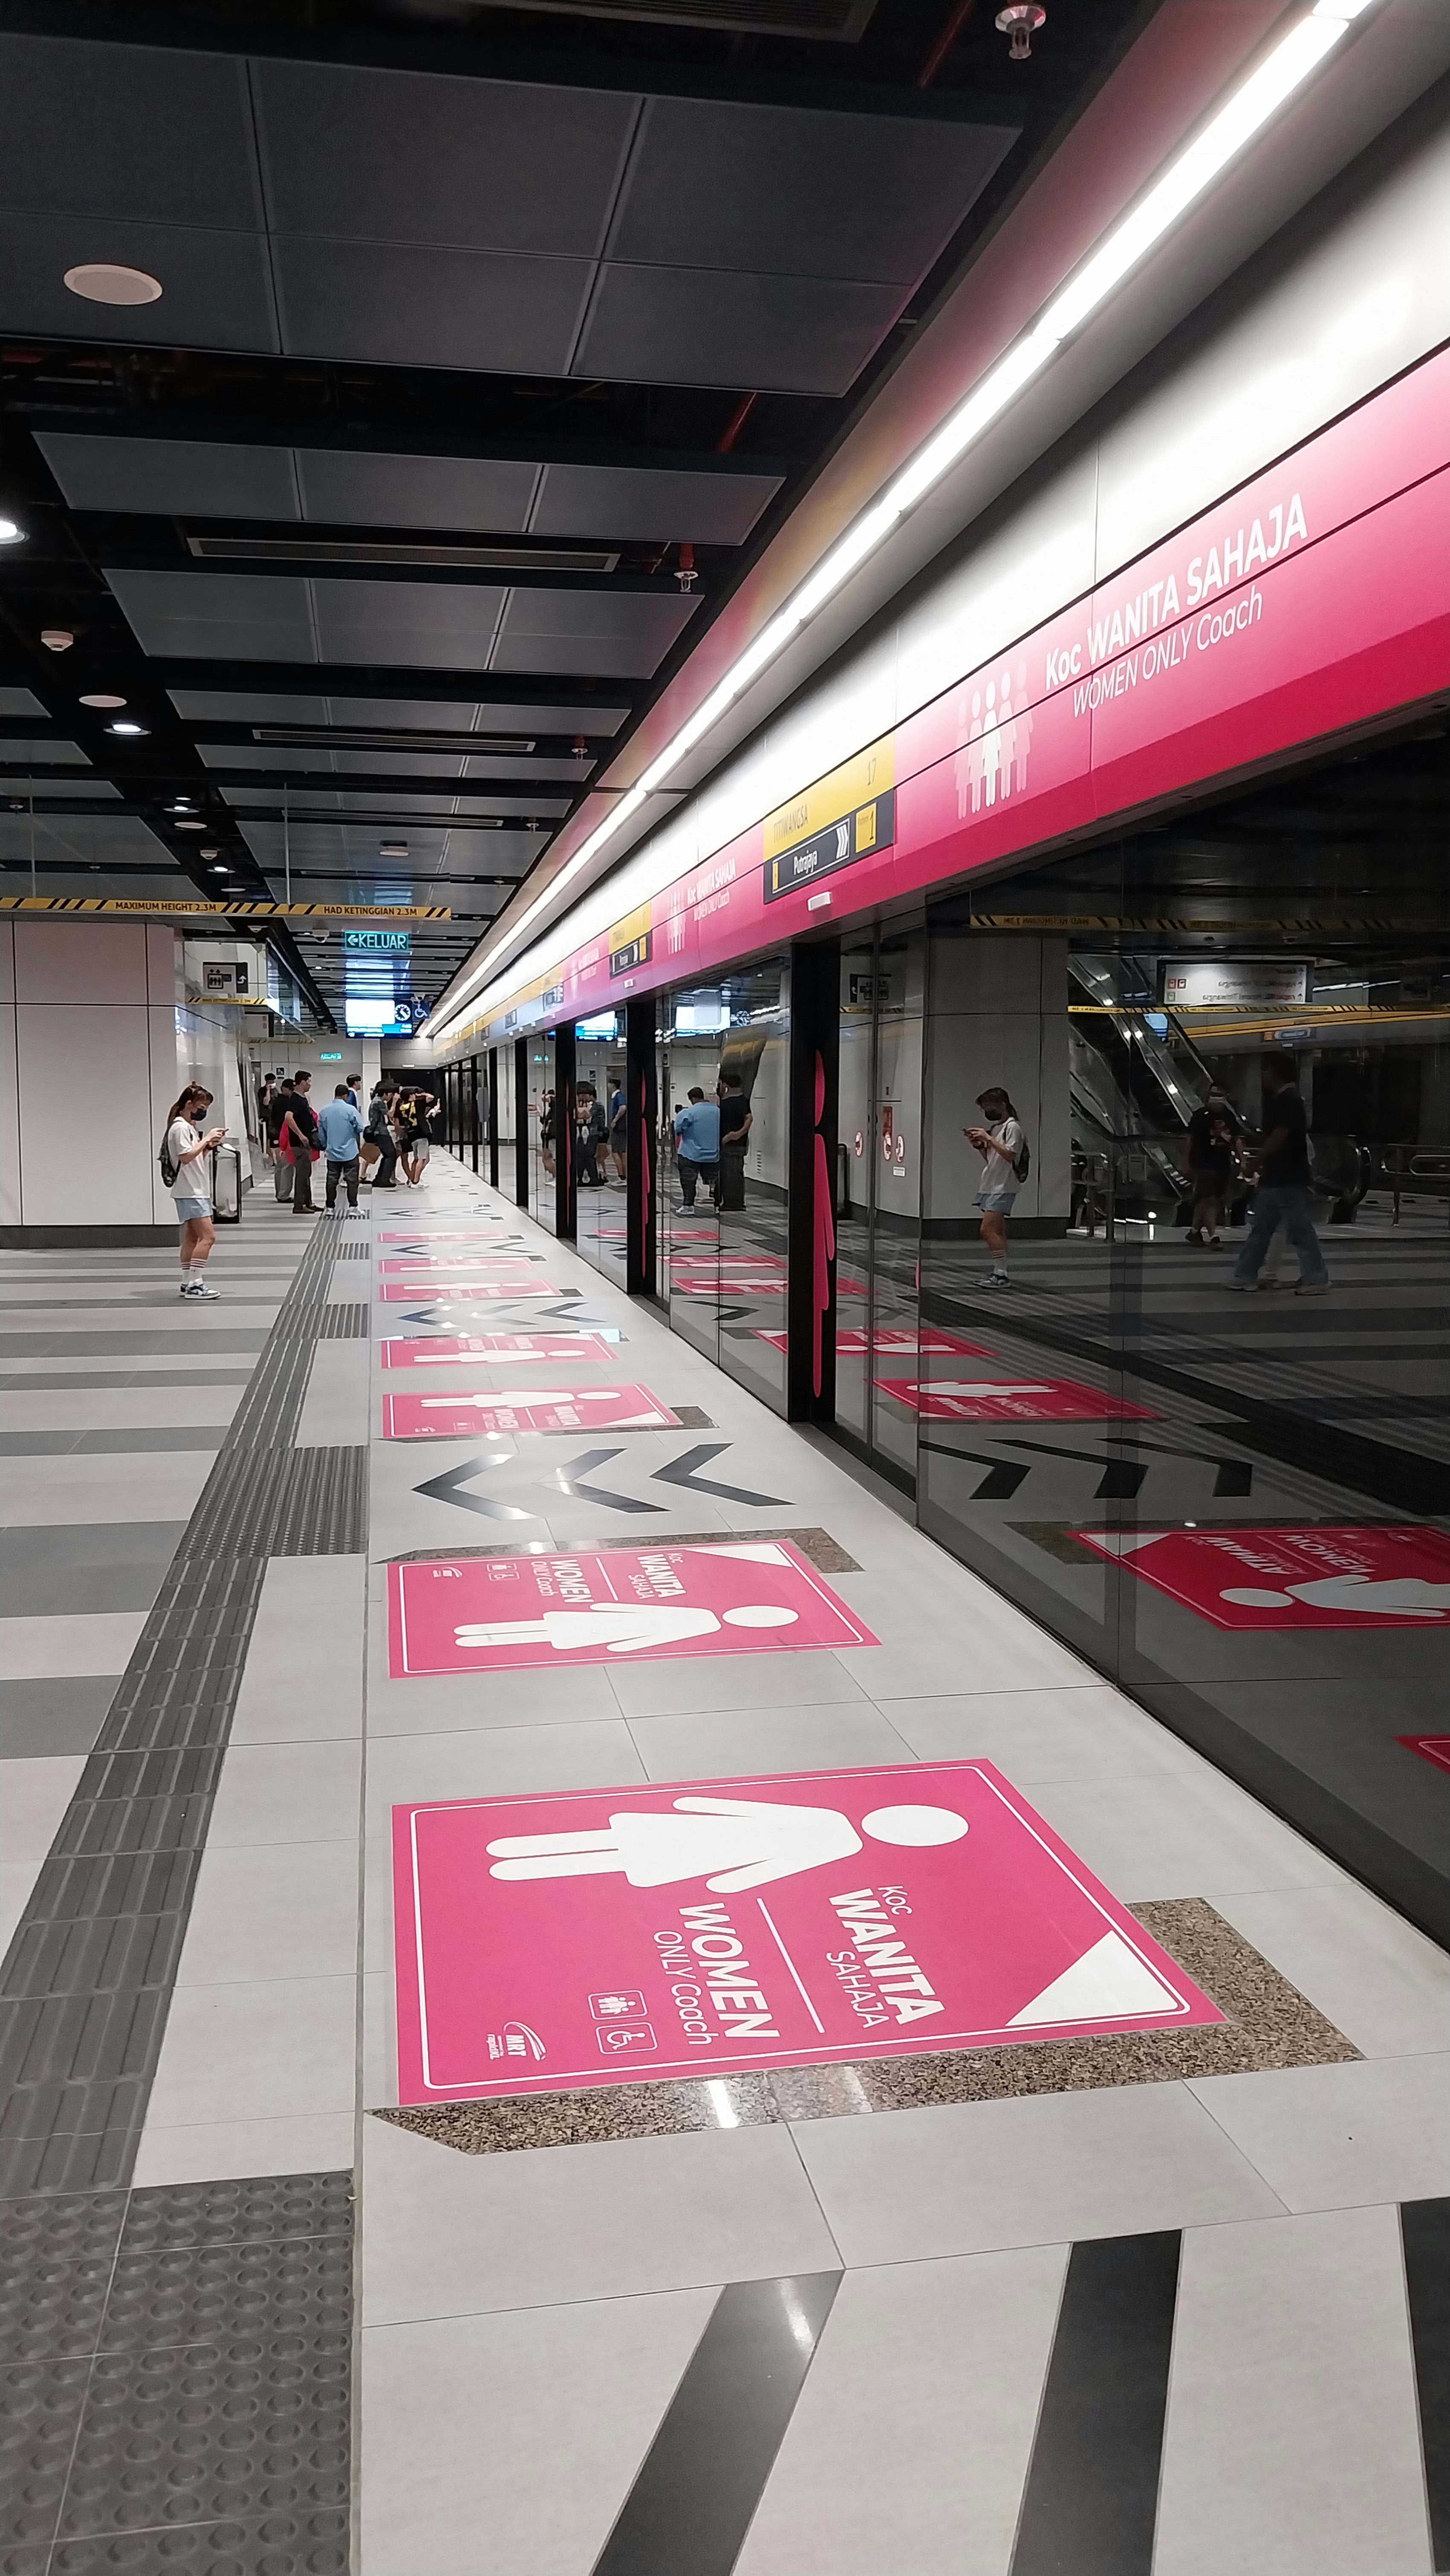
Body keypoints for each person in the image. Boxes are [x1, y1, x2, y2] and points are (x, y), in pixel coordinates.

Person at [1227, 1050, 1329, 1294]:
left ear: (1275, 1073)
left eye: (1265, 1070)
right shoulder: (1284, 1100)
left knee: (1298, 1230)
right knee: (1262, 1228)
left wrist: (1255, 1162)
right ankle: (1245, 1274)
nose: (1262, 1076)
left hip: (1288, 1177)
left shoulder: (1288, 1100)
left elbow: (1278, 1137)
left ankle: (1316, 1278)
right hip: (1277, 1177)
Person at [162, 1083, 227, 1300]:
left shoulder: (186, 1127)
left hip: (192, 1189)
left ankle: (186, 1281)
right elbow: (185, 1157)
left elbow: (194, 1157)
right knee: (208, 1237)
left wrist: (207, 1146)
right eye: (202, 1106)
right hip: (191, 1191)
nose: (204, 1110)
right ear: (189, 1104)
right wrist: (207, 1139)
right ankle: (196, 1284)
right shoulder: (180, 1127)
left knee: (191, 1239)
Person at [963, 1085, 1026, 1287]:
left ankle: (1001, 1274)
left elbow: (1009, 1155)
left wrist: (988, 1138)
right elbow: (992, 1159)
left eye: (989, 1107)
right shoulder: (998, 1128)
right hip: (992, 1183)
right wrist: (980, 1145)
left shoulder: (1013, 1127)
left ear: (1002, 1105)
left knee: (987, 1230)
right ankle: (1000, 1271)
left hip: (1004, 1186)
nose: (987, 1112)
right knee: (997, 1231)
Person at [1184, 1080, 1241, 1246]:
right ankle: (1213, 1236)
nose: (1216, 1099)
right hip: (1203, 1163)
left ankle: (1195, 1232)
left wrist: (1243, 1161)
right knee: (1209, 1199)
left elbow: (1237, 1139)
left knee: (1207, 1199)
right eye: (1213, 1095)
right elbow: (1190, 1138)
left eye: (1219, 1095)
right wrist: (1186, 1162)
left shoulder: (1229, 1117)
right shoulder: (1200, 1116)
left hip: (1222, 1163)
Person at [317, 1081, 365, 1212]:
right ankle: (353, 1207)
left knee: (332, 1180)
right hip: (350, 1152)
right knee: (352, 1181)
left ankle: (330, 1208)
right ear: (346, 1096)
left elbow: (321, 1133)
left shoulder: (324, 1111)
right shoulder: (350, 1110)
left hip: (332, 1153)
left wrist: (326, 1145)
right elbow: (361, 1128)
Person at [673, 1086, 720, 1209]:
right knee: (715, 1181)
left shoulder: (688, 1112)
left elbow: (678, 1129)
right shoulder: (718, 1111)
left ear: (693, 1099)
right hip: (713, 1155)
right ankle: (717, 1206)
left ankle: (688, 1206)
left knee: (688, 1181)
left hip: (690, 1154)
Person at [283, 1070, 320, 1215]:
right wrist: (301, 1135)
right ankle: (299, 1205)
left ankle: (308, 1202)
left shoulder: (302, 1099)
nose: (310, 1085)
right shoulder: (295, 1100)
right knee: (302, 1174)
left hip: (306, 1143)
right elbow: (288, 1118)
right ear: (303, 1082)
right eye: (309, 1081)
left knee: (307, 1173)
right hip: (300, 1143)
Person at [716, 1070, 753, 1212]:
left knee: (731, 1173)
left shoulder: (731, 1102)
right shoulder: (742, 1100)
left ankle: (734, 1203)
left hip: (732, 1144)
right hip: (738, 1144)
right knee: (735, 1172)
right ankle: (733, 1201)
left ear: (725, 1085)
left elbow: (750, 1119)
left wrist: (735, 1135)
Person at [266, 1077, 295, 1202]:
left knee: (280, 1165)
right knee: (286, 1165)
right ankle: (283, 1194)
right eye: (291, 1089)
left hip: (276, 1136)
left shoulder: (278, 1101)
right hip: (281, 1136)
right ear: (284, 1089)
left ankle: (280, 1193)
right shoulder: (284, 1103)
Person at [574, 1083, 608, 1186]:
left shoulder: (598, 1107)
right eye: (581, 1094)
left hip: (592, 1134)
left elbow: (600, 1122)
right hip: (578, 1133)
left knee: (589, 1156)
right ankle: (579, 1178)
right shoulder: (574, 1106)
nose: (583, 1097)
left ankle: (593, 1178)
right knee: (579, 1156)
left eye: (586, 1094)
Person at [607, 1082, 627, 1183]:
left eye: (609, 1084)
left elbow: (623, 1108)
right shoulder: (616, 1096)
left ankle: (621, 1174)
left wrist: (615, 1120)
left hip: (619, 1128)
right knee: (622, 1152)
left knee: (616, 1152)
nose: (608, 1086)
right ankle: (624, 1173)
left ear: (613, 1085)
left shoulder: (618, 1096)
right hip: (621, 1128)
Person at [540, 1090, 557, 1179]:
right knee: (546, 1158)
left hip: (552, 1136)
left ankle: (556, 1176)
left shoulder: (556, 1107)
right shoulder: (550, 1111)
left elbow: (546, 1098)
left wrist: (549, 1096)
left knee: (550, 1157)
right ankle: (554, 1175)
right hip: (546, 1136)